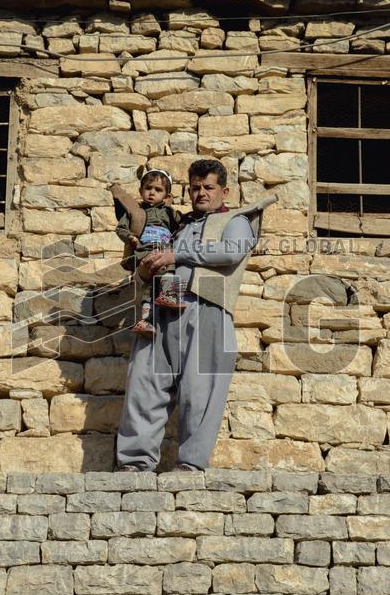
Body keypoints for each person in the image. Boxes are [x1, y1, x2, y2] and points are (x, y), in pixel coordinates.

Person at [114, 158, 277, 472]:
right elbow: (146, 265)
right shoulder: (175, 223)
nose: (201, 193)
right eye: (195, 188)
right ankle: (134, 465)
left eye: (208, 187)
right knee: (144, 385)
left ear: (224, 190)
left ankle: (189, 467)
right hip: (162, 309)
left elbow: (231, 251)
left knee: (200, 392)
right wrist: (146, 271)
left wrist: (177, 254)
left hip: (207, 312)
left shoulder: (237, 220)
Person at [112, 168, 182, 337]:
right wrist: (130, 237)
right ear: (141, 191)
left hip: (163, 250)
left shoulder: (171, 214)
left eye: (158, 190)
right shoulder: (135, 213)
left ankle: (168, 294)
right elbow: (121, 229)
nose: (152, 193)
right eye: (148, 188)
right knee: (146, 283)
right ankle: (145, 321)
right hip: (144, 251)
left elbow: (182, 227)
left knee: (168, 265)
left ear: (166, 196)